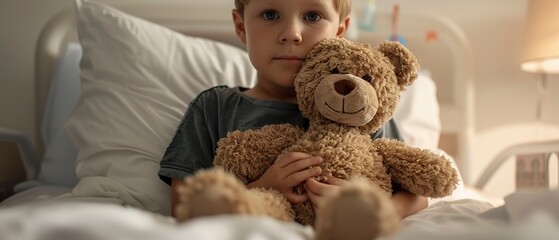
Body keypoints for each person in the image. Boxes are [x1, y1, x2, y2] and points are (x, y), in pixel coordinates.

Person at [158, 0, 427, 221]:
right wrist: (261, 189)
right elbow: (183, 208)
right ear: (241, 27)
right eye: (270, 14)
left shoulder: (362, 108)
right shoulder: (213, 107)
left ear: (339, 30)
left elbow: (416, 194)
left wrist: (377, 208)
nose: (292, 33)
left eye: (312, 15)